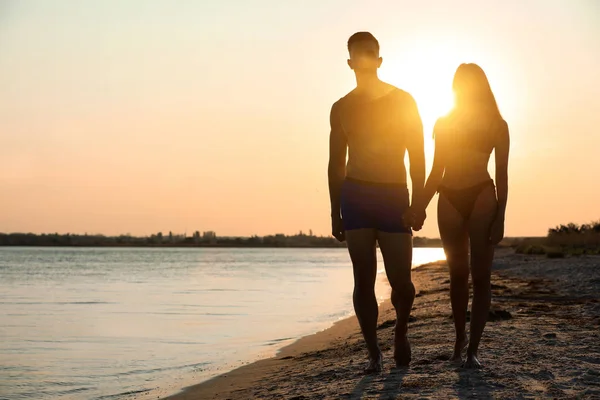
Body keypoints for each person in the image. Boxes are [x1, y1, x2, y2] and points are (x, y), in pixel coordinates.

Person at [327, 32, 426, 372]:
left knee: (403, 283)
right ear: (351, 62)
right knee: (363, 279)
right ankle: (374, 353)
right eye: (360, 55)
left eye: (372, 53)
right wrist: (334, 211)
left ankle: (400, 330)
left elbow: (418, 155)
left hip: (393, 195)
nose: (366, 59)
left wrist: (420, 201)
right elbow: (335, 164)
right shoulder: (341, 108)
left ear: (379, 60)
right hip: (355, 197)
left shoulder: (403, 100)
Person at [412, 63, 510, 368]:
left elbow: (502, 175)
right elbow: (437, 170)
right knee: (457, 276)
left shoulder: (497, 124)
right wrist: (420, 206)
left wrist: (501, 217)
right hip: (449, 198)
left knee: (481, 278)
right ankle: (459, 340)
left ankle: (473, 351)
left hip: (482, 195)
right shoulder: (444, 122)